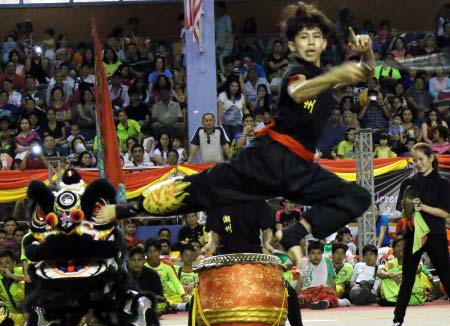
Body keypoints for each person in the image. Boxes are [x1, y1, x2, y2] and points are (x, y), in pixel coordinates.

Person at [96, 2, 373, 270]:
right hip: (266, 160)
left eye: (317, 37)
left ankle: (295, 232)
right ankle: (121, 210)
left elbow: (366, 71)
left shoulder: (325, 76)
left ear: (325, 43)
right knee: (198, 188)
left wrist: (367, 53)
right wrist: (338, 74)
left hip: (300, 168)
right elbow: (300, 92)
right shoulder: (295, 72)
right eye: (303, 37)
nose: (311, 42)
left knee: (357, 197)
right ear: (292, 46)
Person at [178, 200, 315, 326]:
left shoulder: (256, 201)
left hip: (254, 255)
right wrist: (210, 244)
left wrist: (266, 244)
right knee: (199, 293)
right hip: (225, 257)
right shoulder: (218, 202)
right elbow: (213, 231)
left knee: (288, 291)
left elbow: (266, 228)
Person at [382, 143, 450, 326]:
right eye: (415, 160)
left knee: (446, 276)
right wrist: (408, 208)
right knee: (407, 279)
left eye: (421, 159)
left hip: (435, 234)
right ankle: (396, 322)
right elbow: (402, 210)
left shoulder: (442, 183)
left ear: (431, 158)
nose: (418, 163)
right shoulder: (408, 183)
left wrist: (422, 207)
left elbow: (444, 212)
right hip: (413, 235)